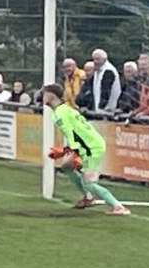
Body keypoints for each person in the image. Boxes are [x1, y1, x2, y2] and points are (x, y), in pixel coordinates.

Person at [43, 82, 129, 216]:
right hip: (86, 144)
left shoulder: (60, 113)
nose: (42, 97)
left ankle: (118, 206)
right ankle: (88, 197)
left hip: (91, 147)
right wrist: (67, 150)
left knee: (90, 182)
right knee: (66, 166)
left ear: (51, 95)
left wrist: (74, 151)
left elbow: (71, 133)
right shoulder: (64, 110)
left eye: (44, 94)